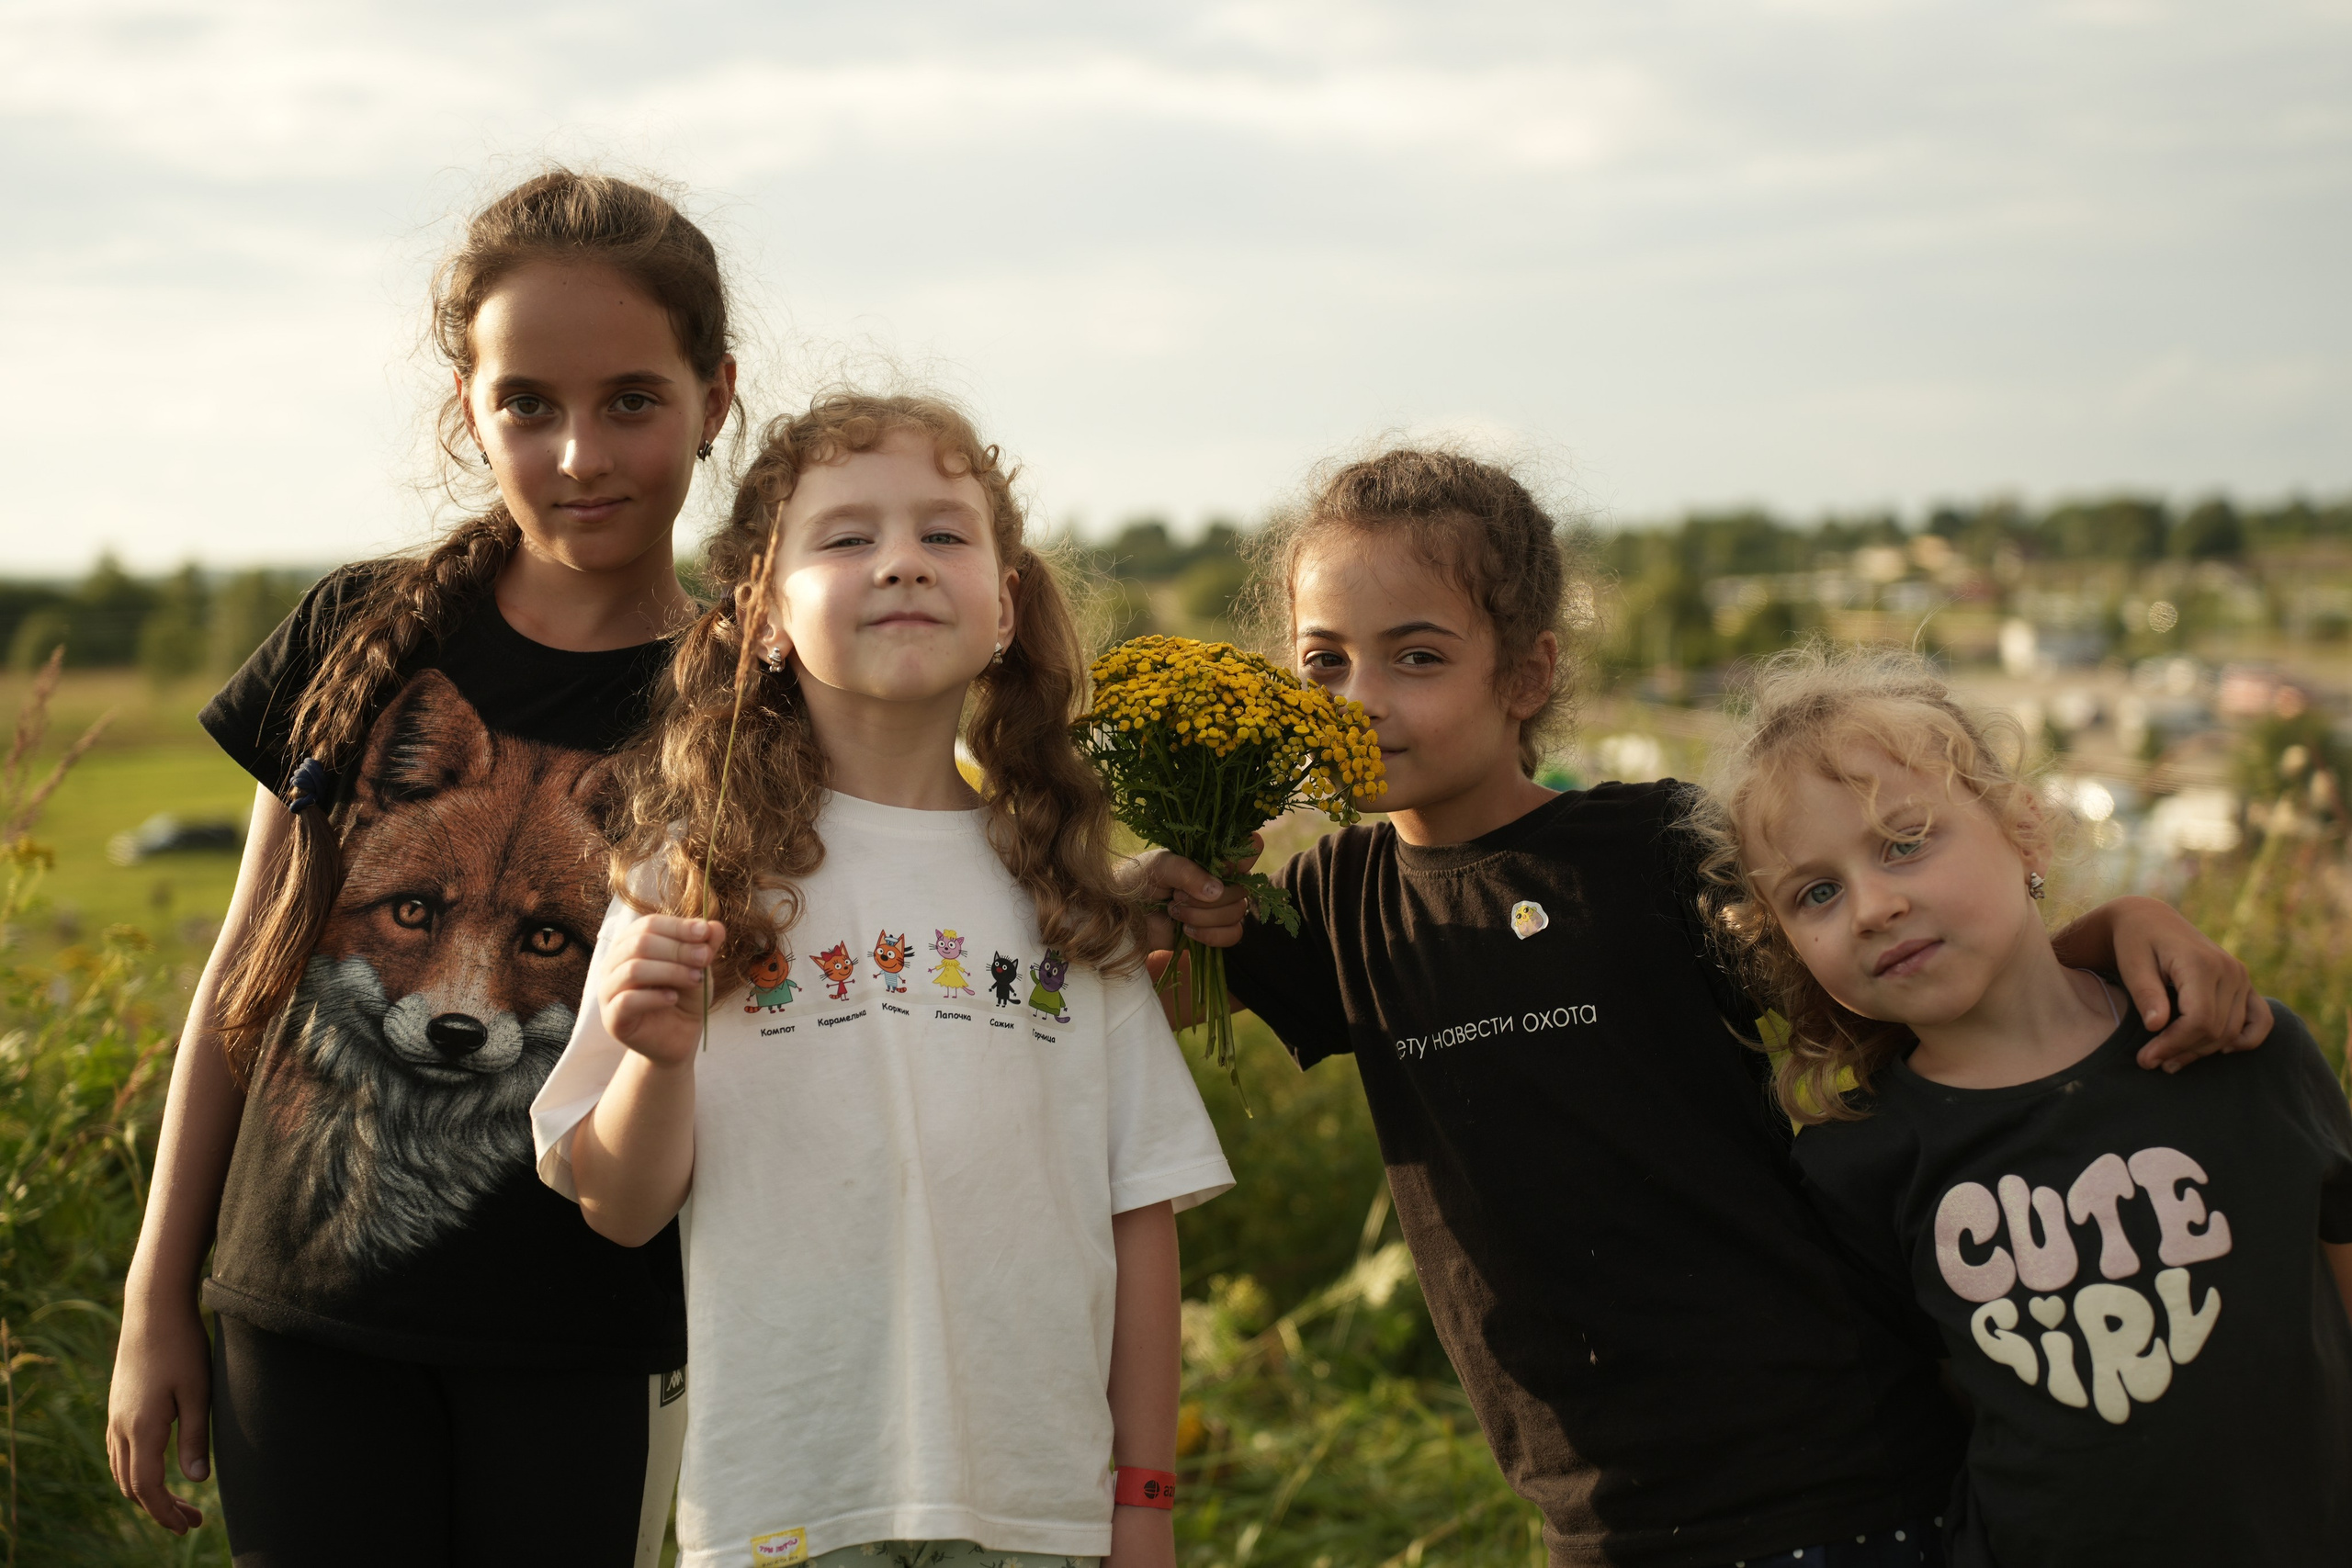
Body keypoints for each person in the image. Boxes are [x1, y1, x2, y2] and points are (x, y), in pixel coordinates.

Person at [1130, 447, 2273, 1568]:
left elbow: (1898, 978)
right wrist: (1156, 887)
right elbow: (1127, 994)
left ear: (1526, 675)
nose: (1359, 700)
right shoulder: (1335, 903)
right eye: (1323, 662)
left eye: (1416, 656)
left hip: (1835, 1476)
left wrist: (2114, 932)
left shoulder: (1650, 847)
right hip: (1598, 1517)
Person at [106, 168, 740, 1566]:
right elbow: (243, 977)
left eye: (633, 398)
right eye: (529, 402)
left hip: (588, 1340)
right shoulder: (359, 633)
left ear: (717, 393)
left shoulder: (745, 698)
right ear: (473, 407)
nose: (579, 452)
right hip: (301, 1321)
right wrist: (163, 1292)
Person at [530, 392, 1232, 1568]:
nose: (902, 562)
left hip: (1036, 1512)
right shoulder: (691, 878)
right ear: (760, 613)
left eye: (944, 535)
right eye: (849, 538)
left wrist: (1144, 1503)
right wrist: (656, 1057)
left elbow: (1140, 1215)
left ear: (1005, 607)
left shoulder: (1071, 892)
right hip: (783, 1507)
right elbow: (620, 1202)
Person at [1689, 645, 2352, 1567]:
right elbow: (1919, 1424)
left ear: (2025, 832)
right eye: (1817, 893)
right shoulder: (1854, 1164)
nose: (1873, 906)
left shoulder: (2242, 1051)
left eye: (1905, 842)